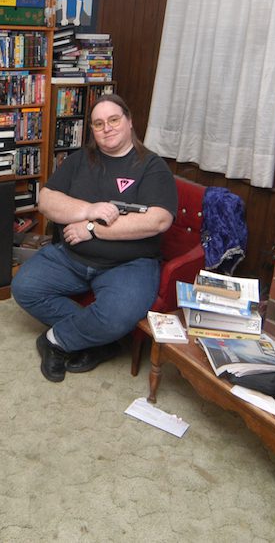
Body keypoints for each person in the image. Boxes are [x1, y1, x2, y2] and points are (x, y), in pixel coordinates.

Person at [11, 94, 177, 382]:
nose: (106, 128)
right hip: (72, 257)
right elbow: (47, 201)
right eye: (98, 124)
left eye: (114, 120)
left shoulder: (151, 166)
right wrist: (89, 210)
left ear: (129, 122)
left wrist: (91, 228)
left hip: (128, 264)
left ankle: (55, 340)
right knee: (24, 287)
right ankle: (99, 340)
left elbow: (158, 220)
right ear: (92, 130)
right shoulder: (79, 160)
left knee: (116, 316)